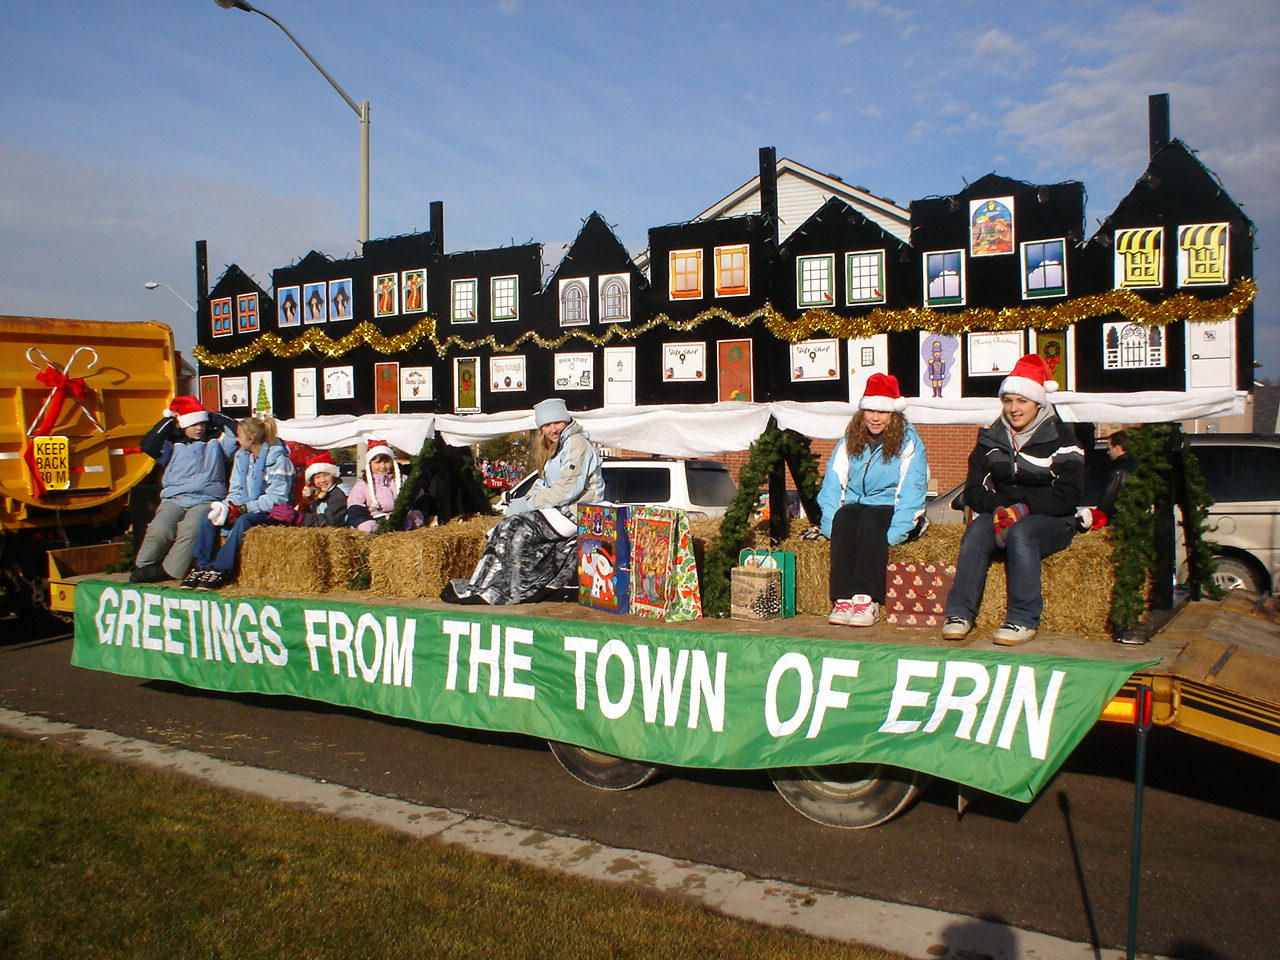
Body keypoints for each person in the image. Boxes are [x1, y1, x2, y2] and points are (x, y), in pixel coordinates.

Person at [941, 354, 1084, 645]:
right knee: (977, 531)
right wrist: (998, 507)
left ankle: (1022, 618)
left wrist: (1024, 508)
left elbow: (1069, 495)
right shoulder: (991, 437)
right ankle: (960, 613)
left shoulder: (1062, 437)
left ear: (1038, 403)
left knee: (1022, 532)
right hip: (1003, 512)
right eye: (1008, 401)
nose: (1014, 409)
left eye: (1021, 401)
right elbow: (974, 490)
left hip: (1052, 519)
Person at [445, 397, 604, 604]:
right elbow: (544, 483)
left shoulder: (576, 443)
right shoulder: (555, 447)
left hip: (579, 511)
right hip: (561, 509)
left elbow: (568, 489)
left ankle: (514, 588)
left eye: (557, 422)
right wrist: (524, 500)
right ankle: (487, 584)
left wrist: (529, 505)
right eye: (546, 425)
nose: (553, 429)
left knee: (516, 527)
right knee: (504, 526)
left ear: (566, 421)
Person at [817, 374, 928, 627]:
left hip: (888, 506)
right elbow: (834, 482)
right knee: (845, 518)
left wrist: (895, 534)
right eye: (870, 411)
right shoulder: (849, 440)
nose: (875, 418)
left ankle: (867, 599)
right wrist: (830, 525)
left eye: (882, 412)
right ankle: (842, 598)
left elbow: (912, 488)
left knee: (870, 520)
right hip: (857, 503)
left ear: (894, 414)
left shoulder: (908, 443)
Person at [130, 397, 238, 583]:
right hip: (175, 499)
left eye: (203, 424)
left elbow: (237, 431)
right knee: (160, 528)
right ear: (183, 424)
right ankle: (144, 565)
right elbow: (148, 445)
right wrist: (170, 420)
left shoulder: (217, 444)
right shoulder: (172, 446)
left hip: (207, 499)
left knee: (191, 529)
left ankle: (170, 570)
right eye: (194, 424)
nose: (200, 428)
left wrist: (213, 417)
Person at [181, 416, 295, 590]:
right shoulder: (241, 458)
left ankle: (221, 569)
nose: (236, 439)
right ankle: (201, 565)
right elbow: (235, 491)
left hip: (271, 511)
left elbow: (278, 498)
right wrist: (226, 507)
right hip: (244, 506)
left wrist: (243, 509)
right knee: (208, 516)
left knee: (244, 521)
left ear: (251, 439)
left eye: (239, 436)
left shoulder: (279, 460)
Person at [346, 440, 427, 533]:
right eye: (377, 462)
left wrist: (415, 517)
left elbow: (421, 501)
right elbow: (355, 508)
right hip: (376, 525)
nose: (383, 466)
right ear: (370, 464)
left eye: (386, 462)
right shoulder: (362, 485)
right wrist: (368, 526)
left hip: (406, 525)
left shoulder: (404, 480)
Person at [267, 452, 349, 528]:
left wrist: (299, 518)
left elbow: (331, 521)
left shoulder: (339, 494)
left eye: (326, 475)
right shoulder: (320, 495)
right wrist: (305, 503)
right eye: (317, 477)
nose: (322, 480)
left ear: (334, 476)